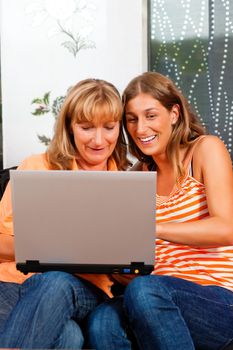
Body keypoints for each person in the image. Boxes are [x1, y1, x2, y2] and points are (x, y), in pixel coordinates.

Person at [85, 72, 233, 350]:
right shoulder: (135, 177)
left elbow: (227, 228)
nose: (141, 129)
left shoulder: (205, 150)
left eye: (150, 115)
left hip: (220, 300)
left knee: (145, 291)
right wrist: (121, 270)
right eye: (132, 119)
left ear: (174, 113)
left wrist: (154, 228)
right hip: (154, 296)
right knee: (102, 319)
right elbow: (136, 267)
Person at [0, 78, 130, 348]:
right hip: (14, 284)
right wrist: (53, 249)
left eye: (109, 127)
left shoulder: (128, 185)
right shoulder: (36, 167)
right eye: (86, 127)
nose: (99, 139)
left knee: (57, 281)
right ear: (70, 126)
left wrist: (124, 264)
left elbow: (128, 271)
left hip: (83, 289)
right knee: (70, 337)